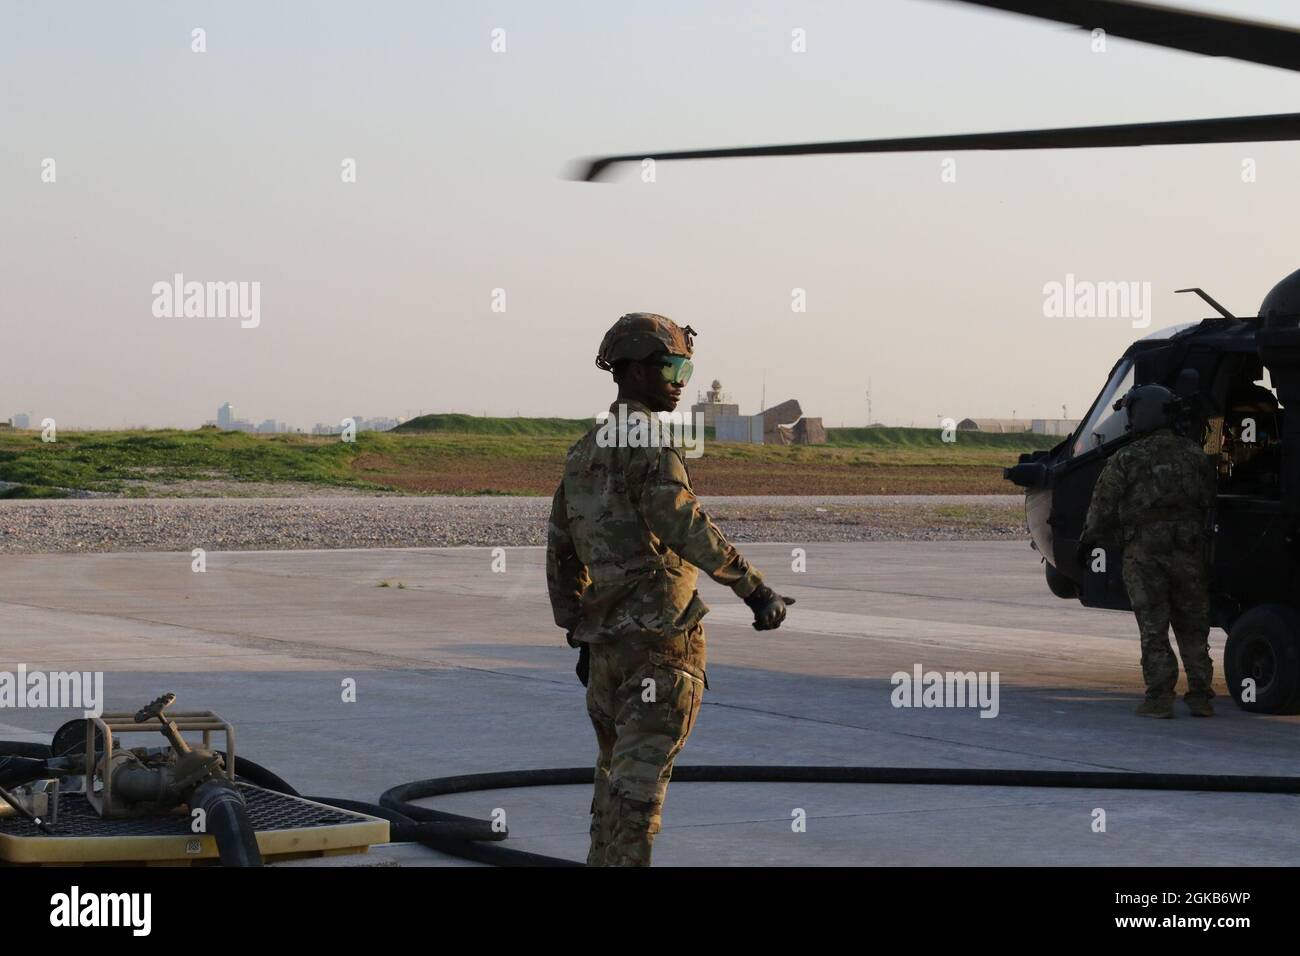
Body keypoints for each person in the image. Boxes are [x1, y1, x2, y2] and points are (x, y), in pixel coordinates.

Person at [546, 312, 792, 865]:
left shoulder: (584, 451)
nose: (682, 378)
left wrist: (578, 632)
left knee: (611, 788)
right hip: (661, 646)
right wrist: (754, 589)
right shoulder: (651, 445)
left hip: (607, 651)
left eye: (687, 365)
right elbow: (684, 523)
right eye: (671, 365)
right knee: (636, 799)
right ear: (633, 371)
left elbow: (562, 550)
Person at [1081, 383, 1218, 718]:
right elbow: (1208, 504)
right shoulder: (1195, 455)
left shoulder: (1127, 458)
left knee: (1154, 627)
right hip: (1188, 553)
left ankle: (1160, 698)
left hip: (1145, 556)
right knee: (1193, 627)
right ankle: (1200, 697)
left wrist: (1089, 543)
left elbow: (1101, 507)